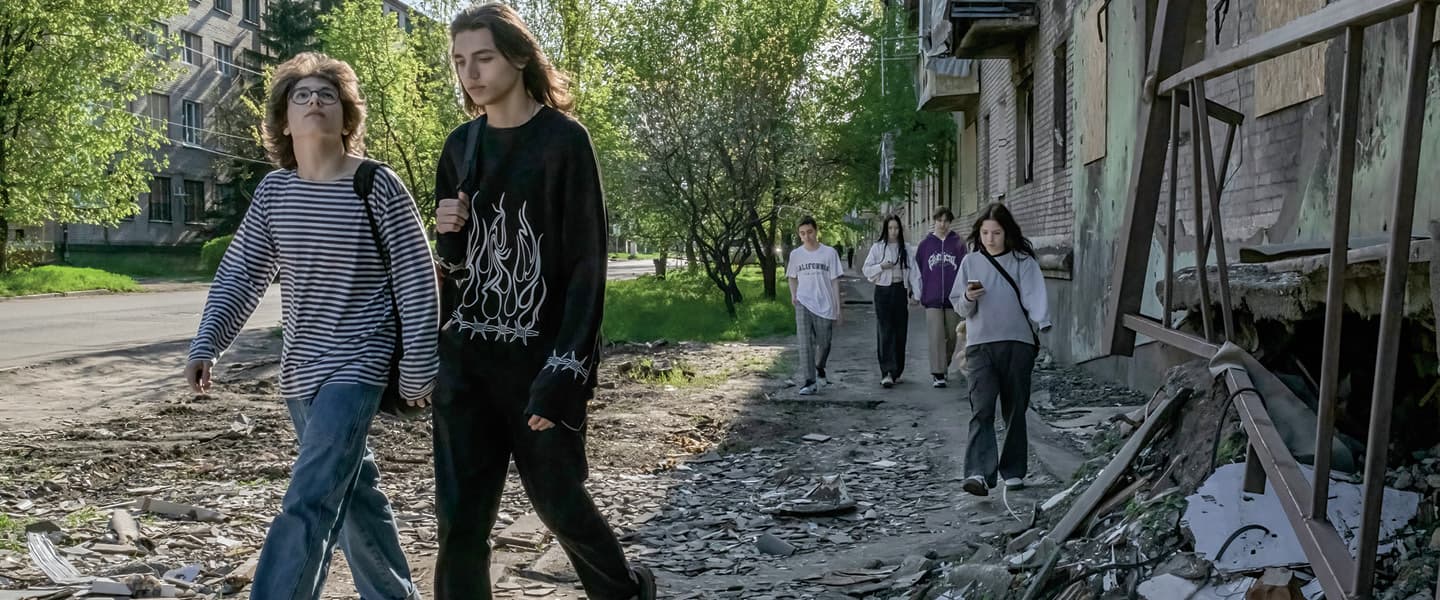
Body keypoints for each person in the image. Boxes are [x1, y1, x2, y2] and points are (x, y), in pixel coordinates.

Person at [184, 52, 437, 600]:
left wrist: (418, 365)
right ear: (283, 120)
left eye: (327, 95)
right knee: (353, 493)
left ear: (347, 117)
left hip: (361, 360)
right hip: (301, 369)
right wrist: (208, 342)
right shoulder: (276, 193)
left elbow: (418, 280)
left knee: (310, 496)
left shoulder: (376, 184)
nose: (315, 102)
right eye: (302, 96)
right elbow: (242, 273)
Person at [430, 4, 655, 599]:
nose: (470, 73)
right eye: (459, 62)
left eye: (483, 58)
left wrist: (567, 371)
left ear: (520, 57)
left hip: (539, 365)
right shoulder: (460, 146)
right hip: (466, 365)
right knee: (459, 522)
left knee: (559, 503)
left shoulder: (564, 142)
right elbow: (453, 273)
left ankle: (625, 593)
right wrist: (448, 236)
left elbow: (587, 264)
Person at [949, 203, 1050, 497]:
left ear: (1007, 233)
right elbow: (959, 305)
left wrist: (1043, 322)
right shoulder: (970, 263)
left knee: (1015, 408)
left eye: (996, 232)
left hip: (1018, 344)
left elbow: (1035, 296)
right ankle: (978, 473)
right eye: (985, 232)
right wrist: (968, 296)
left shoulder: (1023, 262)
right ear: (978, 234)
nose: (990, 238)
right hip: (980, 345)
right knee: (981, 408)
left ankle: (1013, 470)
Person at [787, 216, 844, 396]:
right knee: (805, 344)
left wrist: (838, 308)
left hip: (824, 304)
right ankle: (809, 381)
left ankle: (820, 366)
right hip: (803, 302)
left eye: (810, 232)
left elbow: (835, 281)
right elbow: (792, 277)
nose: (807, 237)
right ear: (799, 235)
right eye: (803, 234)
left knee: (824, 343)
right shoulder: (796, 255)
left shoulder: (829, 253)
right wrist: (793, 295)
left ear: (816, 231)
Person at [862, 215, 920, 388]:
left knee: (900, 331)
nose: (893, 232)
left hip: (900, 290)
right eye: (890, 228)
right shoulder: (878, 248)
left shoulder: (906, 249)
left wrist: (917, 294)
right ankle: (886, 371)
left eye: (896, 228)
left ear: (900, 230)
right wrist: (881, 266)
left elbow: (915, 273)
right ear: (885, 230)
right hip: (883, 291)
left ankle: (897, 371)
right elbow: (866, 270)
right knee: (885, 331)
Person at [916, 207, 966, 388]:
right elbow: (919, 270)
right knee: (936, 336)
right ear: (934, 221)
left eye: (946, 221)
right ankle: (937, 373)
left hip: (953, 298)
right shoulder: (925, 245)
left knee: (953, 335)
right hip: (932, 298)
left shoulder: (958, 243)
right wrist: (919, 292)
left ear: (950, 222)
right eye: (939, 220)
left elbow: (964, 268)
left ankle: (943, 364)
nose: (942, 224)